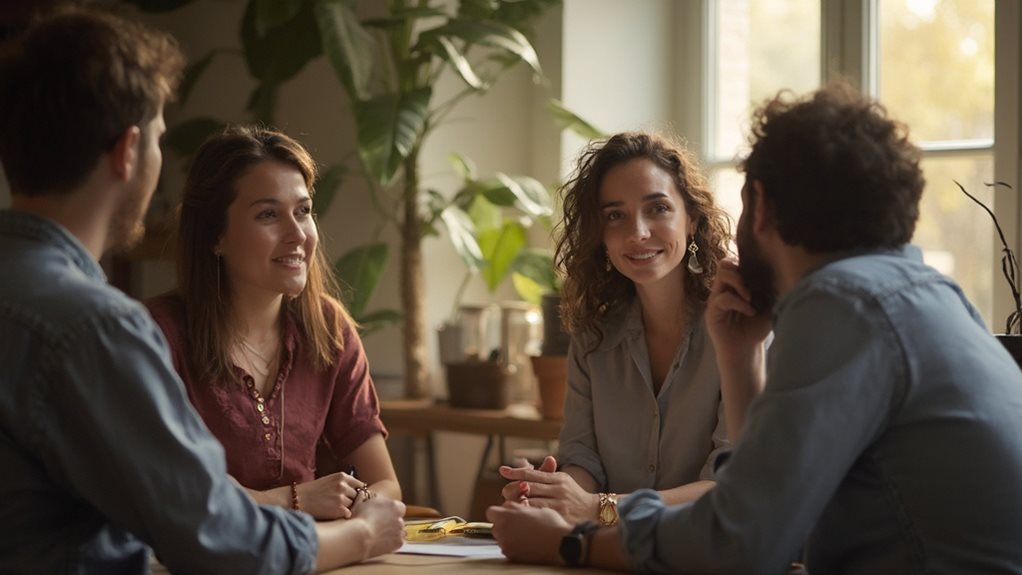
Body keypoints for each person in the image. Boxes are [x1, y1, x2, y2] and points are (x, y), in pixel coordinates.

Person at [487, 84, 1022, 573]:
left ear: (758, 206)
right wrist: (740, 361)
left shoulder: (842, 306)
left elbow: (744, 541)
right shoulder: (930, 294)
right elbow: (760, 501)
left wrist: (571, 543)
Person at [0, 6, 404, 574]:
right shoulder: (96, 327)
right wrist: (361, 536)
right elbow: (214, 535)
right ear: (128, 151)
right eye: (161, 140)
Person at [146, 125, 401, 520]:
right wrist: (291, 499)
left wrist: (354, 500)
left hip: (315, 555)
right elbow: (166, 488)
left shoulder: (329, 328)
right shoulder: (155, 335)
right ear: (215, 236)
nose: (297, 234)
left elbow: (385, 485)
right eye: (268, 215)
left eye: (303, 211)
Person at [498, 132, 732, 526]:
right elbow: (582, 458)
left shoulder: (738, 330)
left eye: (657, 208)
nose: (637, 232)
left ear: (691, 219)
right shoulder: (594, 335)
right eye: (614, 215)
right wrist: (551, 493)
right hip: (612, 555)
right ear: (599, 235)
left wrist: (600, 507)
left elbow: (731, 484)